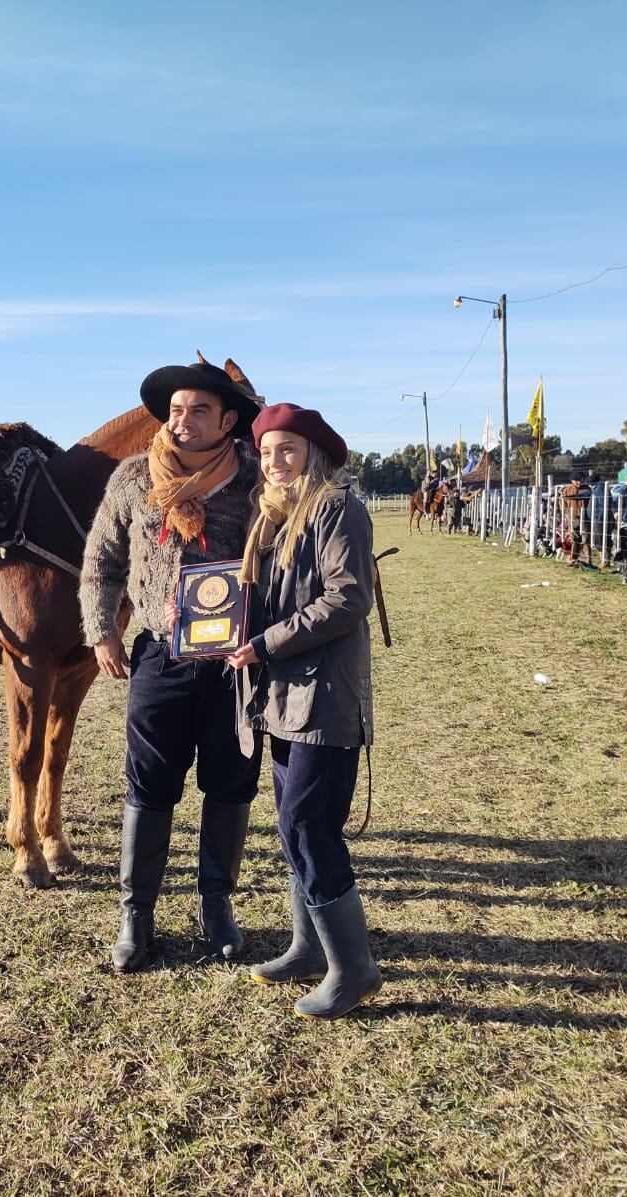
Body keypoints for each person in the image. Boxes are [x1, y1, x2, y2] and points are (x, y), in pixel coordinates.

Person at [79, 358, 263, 973]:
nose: (183, 422)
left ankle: (217, 907)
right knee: (151, 783)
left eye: (200, 411)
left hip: (235, 661)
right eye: (177, 410)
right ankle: (137, 915)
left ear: (228, 420)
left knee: (231, 781)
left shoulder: (257, 481)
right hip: (159, 654)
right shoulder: (134, 479)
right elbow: (101, 562)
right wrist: (103, 631)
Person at [225, 402, 380, 1020]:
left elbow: (347, 598)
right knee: (294, 825)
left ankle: (354, 968)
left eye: (287, 449)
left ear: (313, 454)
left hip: (323, 693)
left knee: (310, 827)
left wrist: (262, 644)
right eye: (265, 453)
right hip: (279, 694)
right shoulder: (270, 521)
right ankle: (308, 947)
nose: (274, 462)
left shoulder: (338, 508)